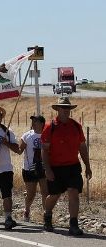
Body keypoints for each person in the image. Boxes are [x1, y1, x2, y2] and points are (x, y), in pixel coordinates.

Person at [41, 96, 92, 236]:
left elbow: (82, 147)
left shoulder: (76, 126)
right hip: (55, 167)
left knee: (73, 193)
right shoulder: (49, 127)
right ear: (57, 109)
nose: (65, 110)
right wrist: (47, 169)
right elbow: (44, 151)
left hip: (73, 166)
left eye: (67, 108)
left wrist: (87, 166)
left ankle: (73, 224)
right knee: (54, 195)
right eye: (63, 108)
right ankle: (47, 216)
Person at [17, 115, 48, 222]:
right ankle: (27, 209)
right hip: (29, 169)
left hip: (44, 168)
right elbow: (19, 150)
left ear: (42, 123)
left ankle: (46, 215)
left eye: (36, 121)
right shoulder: (26, 135)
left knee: (45, 192)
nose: (33, 123)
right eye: (32, 121)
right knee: (31, 194)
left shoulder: (47, 135)